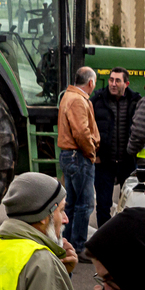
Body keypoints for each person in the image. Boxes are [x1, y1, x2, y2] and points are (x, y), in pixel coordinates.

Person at [90, 67, 140, 227]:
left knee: (128, 206)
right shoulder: (97, 100)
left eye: (117, 80)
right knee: (103, 206)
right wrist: (94, 153)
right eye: (111, 80)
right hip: (104, 162)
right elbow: (88, 128)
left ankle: (123, 239)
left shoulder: (136, 101)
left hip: (127, 162)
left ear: (126, 83)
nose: (112, 84)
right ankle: (104, 241)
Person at [57, 66, 99, 255]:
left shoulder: (68, 96)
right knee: (85, 204)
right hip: (78, 156)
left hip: (71, 156)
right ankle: (78, 247)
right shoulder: (77, 100)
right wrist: (91, 152)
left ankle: (68, 243)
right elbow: (82, 132)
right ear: (90, 83)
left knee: (73, 203)